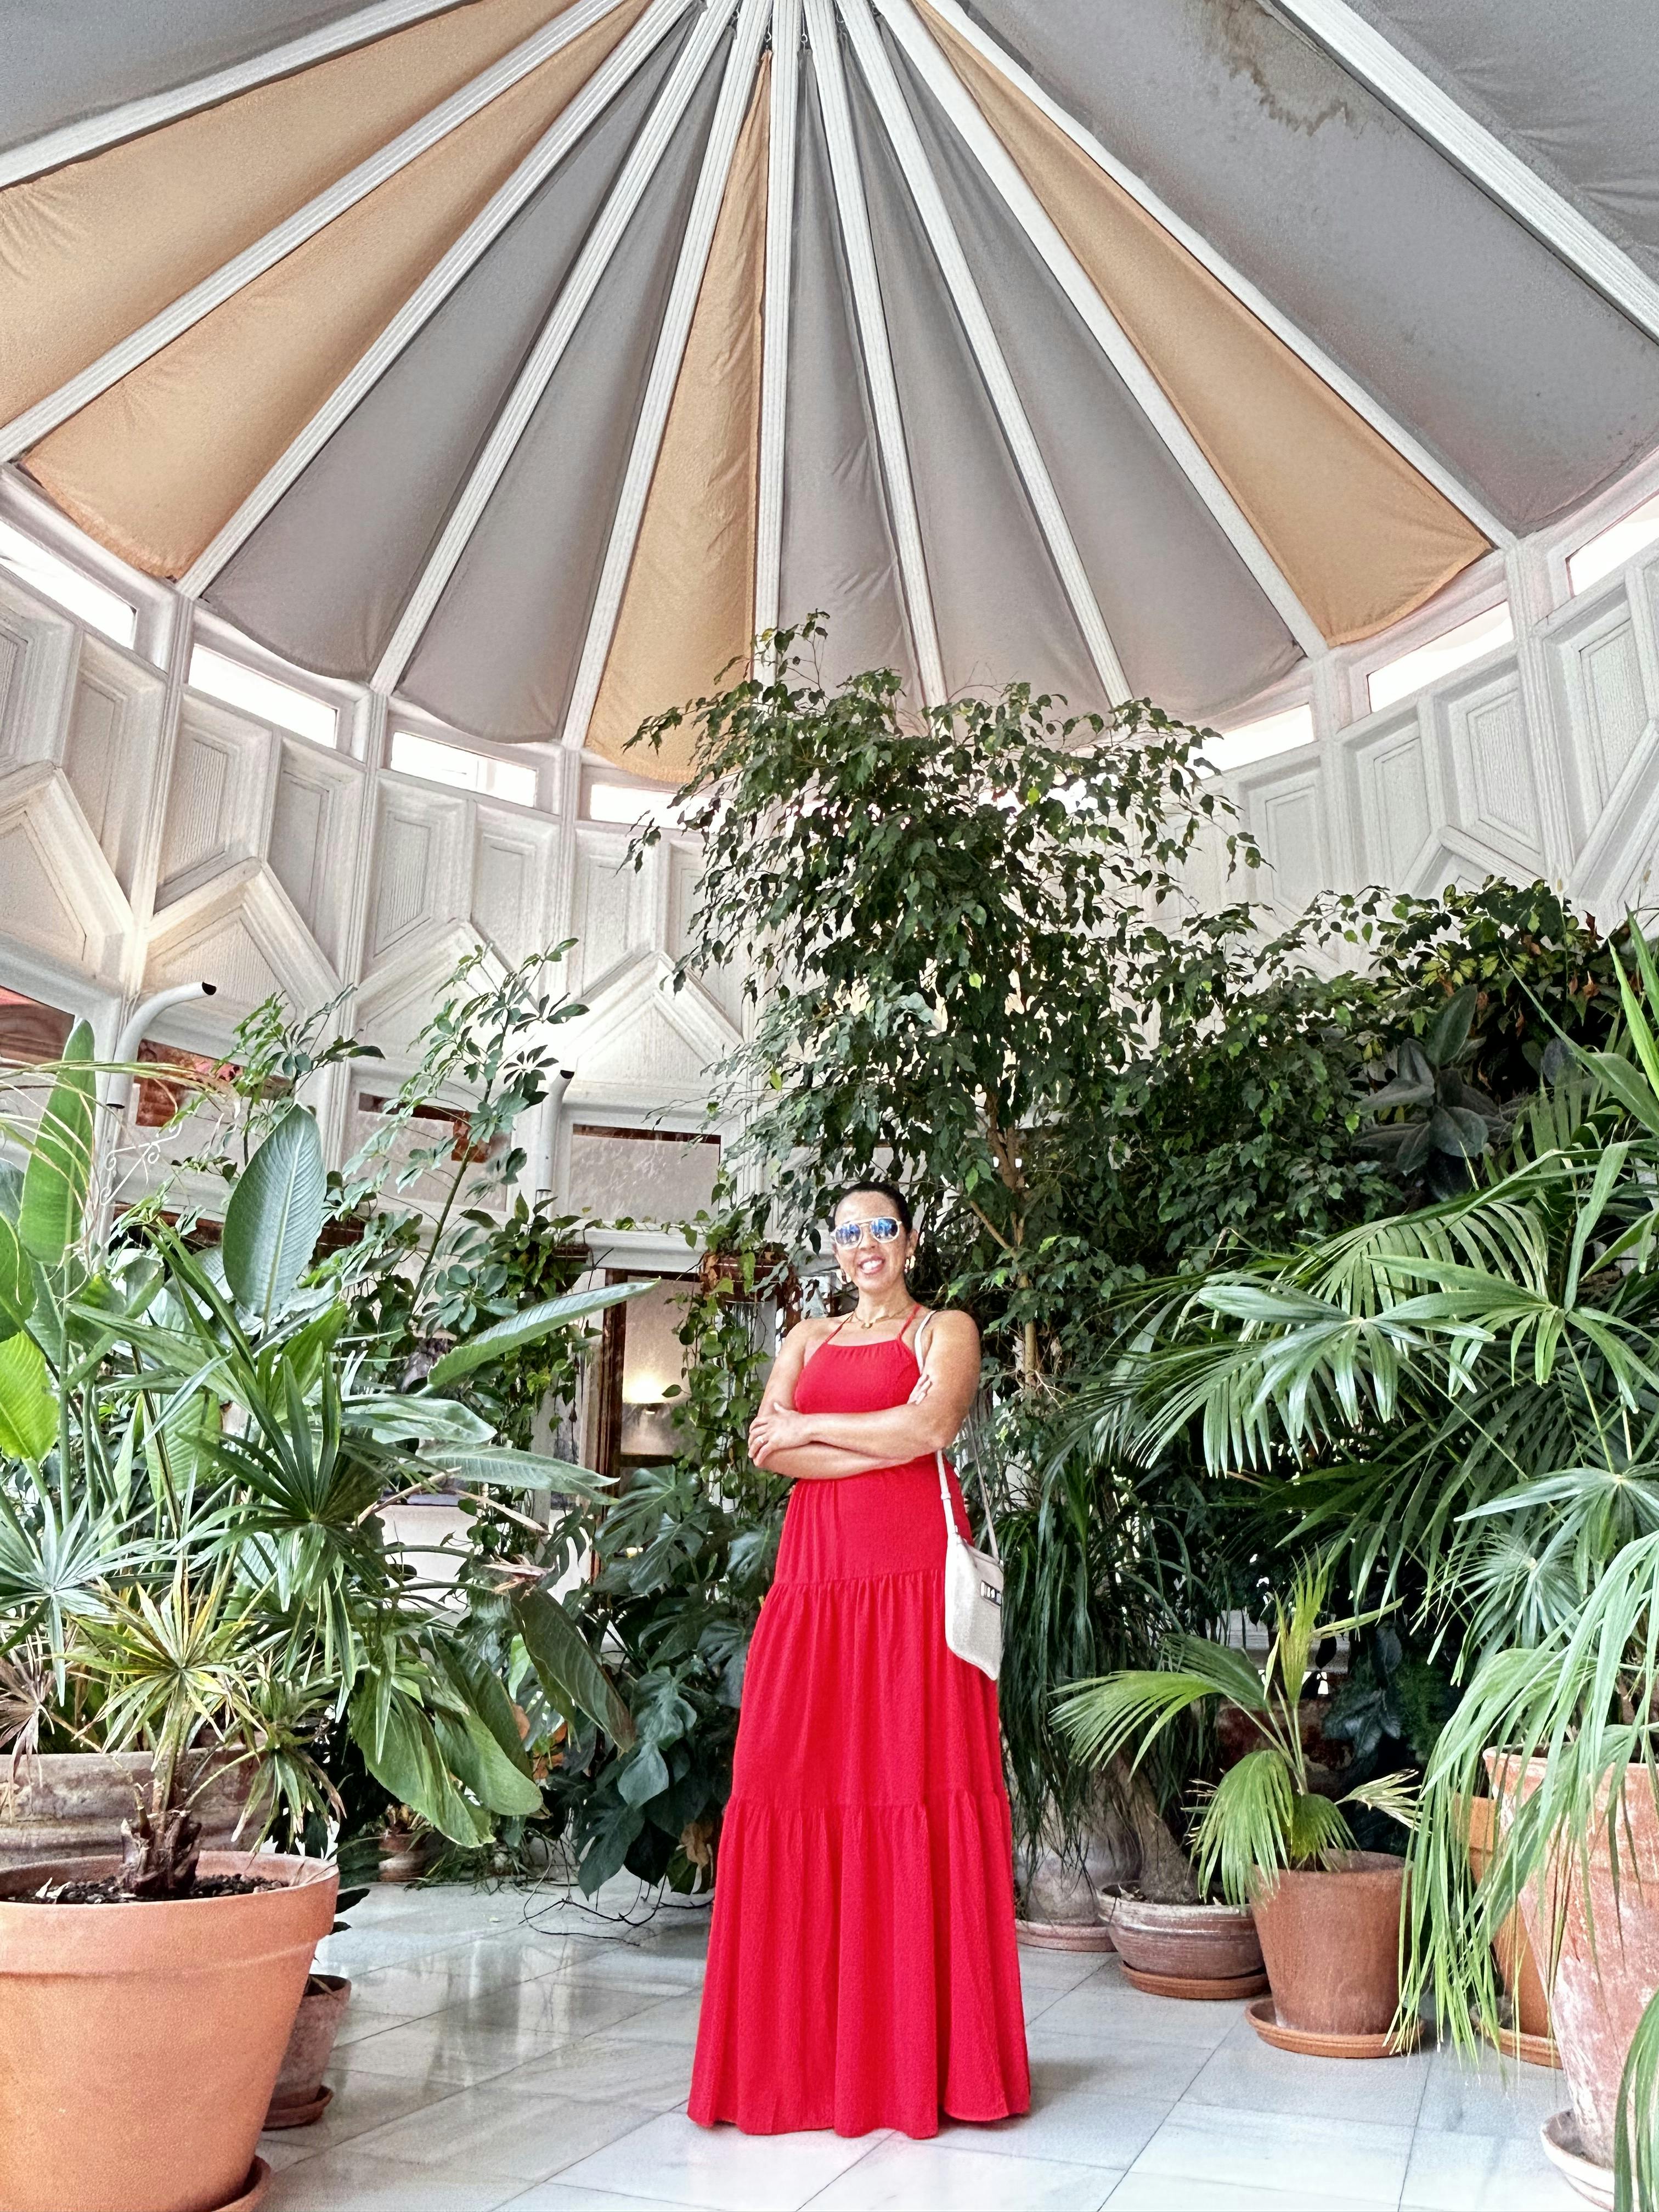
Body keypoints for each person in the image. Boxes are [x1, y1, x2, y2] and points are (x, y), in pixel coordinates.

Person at [688, 1180, 1030, 2139]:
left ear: (909, 1242)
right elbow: (768, 1449)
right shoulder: (805, 1339)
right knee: (788, 1781)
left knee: (912, 1788)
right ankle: (796, 2069)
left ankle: (921, 2068)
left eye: (882, 1227)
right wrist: (839, 1437)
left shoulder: (945, 1330)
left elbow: (932, 1430)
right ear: (833, 1249)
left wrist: (813, 1428)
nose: (865, 1244)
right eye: (848, 1232)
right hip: (815, 1587)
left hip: (914, 1589)